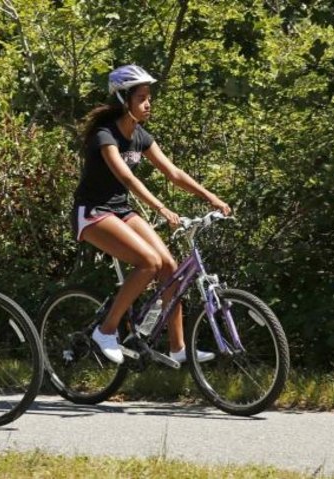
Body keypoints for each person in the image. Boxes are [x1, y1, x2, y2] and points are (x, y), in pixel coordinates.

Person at [72, 64, 231, 365]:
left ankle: (178, 348)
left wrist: (211, 197)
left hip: (120, 211)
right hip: (92, 212)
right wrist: (160, 208)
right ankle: (106, 331)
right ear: (124, 100)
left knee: (169, 267)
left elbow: (173, 172)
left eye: (149, 97)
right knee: (148, 262)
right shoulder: (105, 135)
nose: (148, 103)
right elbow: (128, 179)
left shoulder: (141, 136)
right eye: (141, 97)